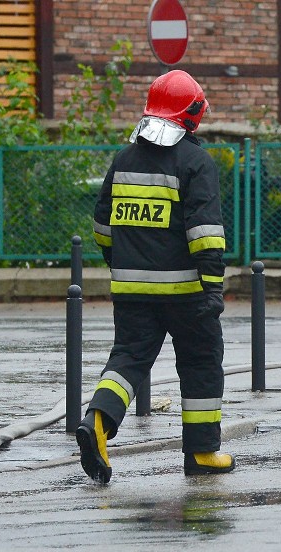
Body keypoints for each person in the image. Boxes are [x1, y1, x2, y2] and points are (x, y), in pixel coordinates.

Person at [76, 69, 234, 483]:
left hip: (130, 289)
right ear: (191, 116)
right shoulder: (196, 162)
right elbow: (205, 232)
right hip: (186, 292)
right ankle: (202, 452)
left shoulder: (123, 160)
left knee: (127, 359)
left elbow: (101, 227)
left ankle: (97, 420)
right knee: (201, 363)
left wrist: (122, 264)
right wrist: (213, 286)